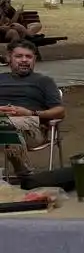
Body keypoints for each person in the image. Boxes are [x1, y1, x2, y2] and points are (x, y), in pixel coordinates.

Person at [0, 41, 64, 178]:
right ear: (9, 58)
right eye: (19, 56)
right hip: (2, 120)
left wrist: (30, 113)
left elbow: (60, 111)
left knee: (5, 125)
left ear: (34, 59)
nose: (24, 60)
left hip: (32, 127)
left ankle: (24, 171)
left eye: (28, 57)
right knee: (3, 123)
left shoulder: (44, 81)